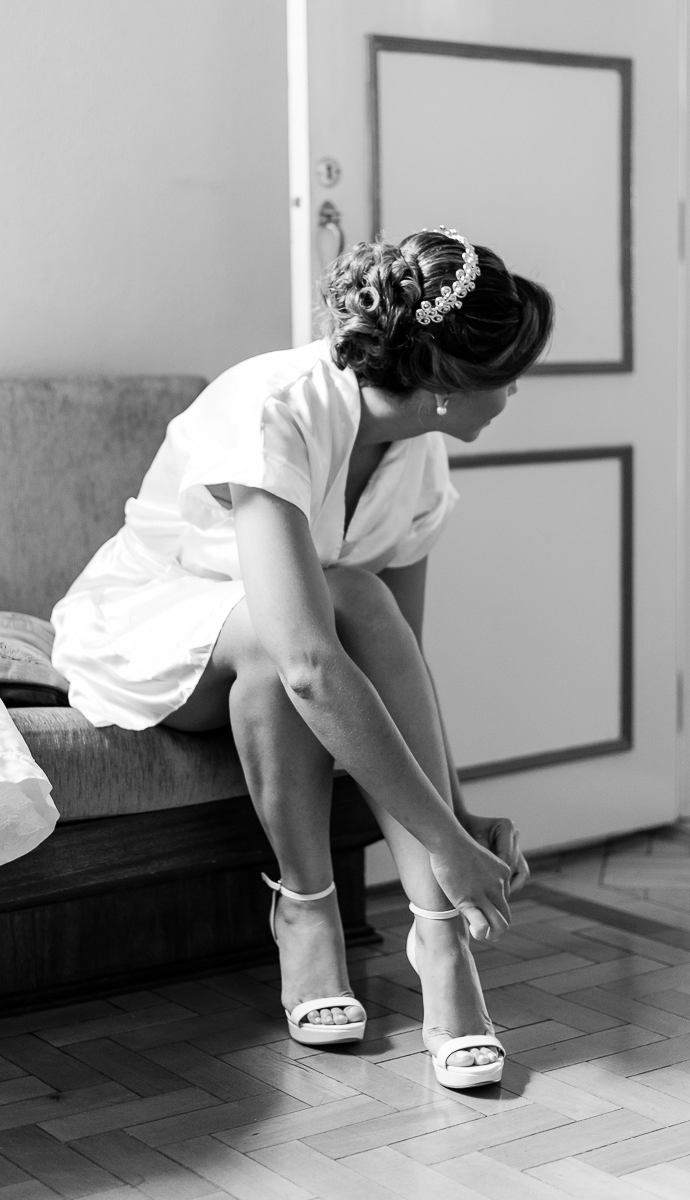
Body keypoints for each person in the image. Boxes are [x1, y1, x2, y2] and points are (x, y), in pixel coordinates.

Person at [51, 225, 554, 1089]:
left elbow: (399, 660)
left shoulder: (419, 456)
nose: (513, 393)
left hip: (274, 656)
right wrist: (446, 843)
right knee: (312, 615)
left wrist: (462, 814)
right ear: (445, 384)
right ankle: (307, 910)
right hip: (155, 624)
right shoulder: (273, 406)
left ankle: (440, 944)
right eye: (508, 375)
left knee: (348, 601)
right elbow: (312, 665)